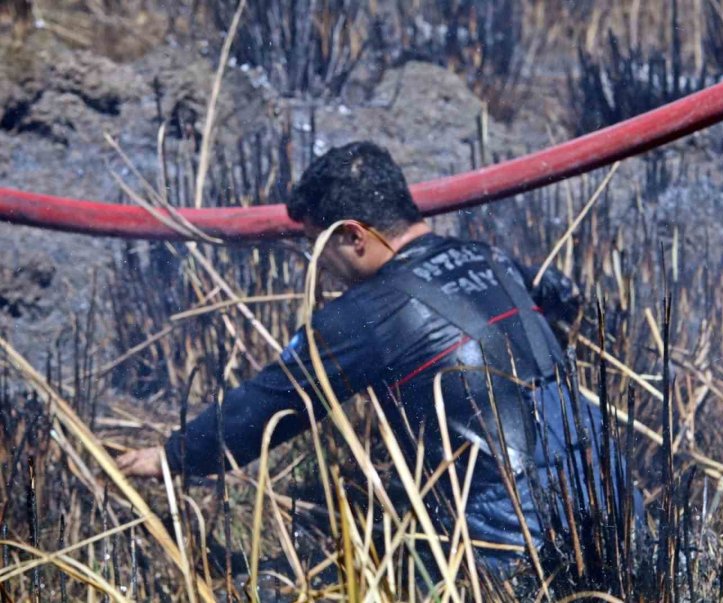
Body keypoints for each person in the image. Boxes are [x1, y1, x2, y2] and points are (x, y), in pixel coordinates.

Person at [117, 141, 634, 576]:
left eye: (317, 250)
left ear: (354, 237)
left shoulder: (362, 315)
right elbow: (566, 299)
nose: (320, 271)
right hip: (607, 478)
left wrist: (174, 456)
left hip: (510, 524)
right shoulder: (488, 257)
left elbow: (269, 405)